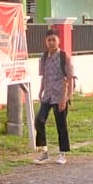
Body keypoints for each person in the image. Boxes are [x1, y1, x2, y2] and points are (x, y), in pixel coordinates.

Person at [33, 32, 75, 165]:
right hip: (48, 95)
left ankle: (62, 154)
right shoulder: (44, 57)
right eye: (49, 40)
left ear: (58, 41)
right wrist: (40, 91)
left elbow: (70, 78)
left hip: (60, 95)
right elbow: (44, 77)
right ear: (46, 42)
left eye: (53, 40)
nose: (51, 43)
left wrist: (67, 97)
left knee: (61, 124)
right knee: (39, 120)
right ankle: (44, 151)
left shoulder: (64, 57)